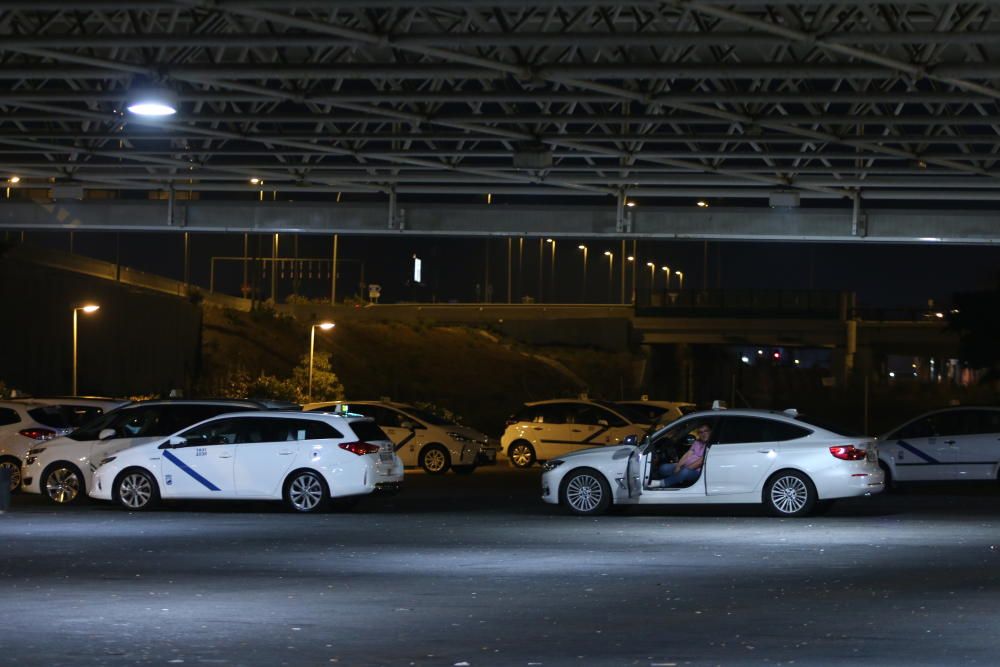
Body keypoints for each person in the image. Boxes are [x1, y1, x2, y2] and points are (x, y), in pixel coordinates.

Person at [655, 423, 711, 488]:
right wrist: (678, 466)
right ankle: (676, 479)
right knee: (663, 468)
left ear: (710, 431)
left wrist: (683, 469)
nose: (703, 434)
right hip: (685, 466)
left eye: (706, 431)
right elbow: (687, 454)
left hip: (697, 471)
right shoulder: (697, 442)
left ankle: (662, 483)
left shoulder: (711, 445)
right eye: (701, 432)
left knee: (684, 472)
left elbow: (700, 462)